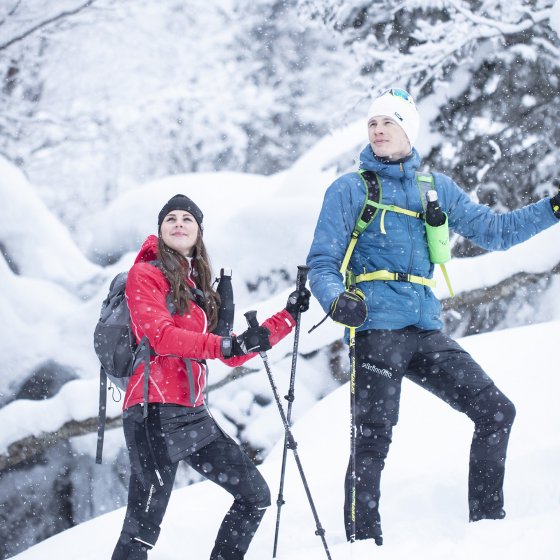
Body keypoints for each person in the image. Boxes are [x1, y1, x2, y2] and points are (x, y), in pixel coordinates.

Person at [306, 88, 560, 545]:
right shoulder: (350, 189)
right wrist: (335, 300)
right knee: (372, 441)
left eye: (389, 122)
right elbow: (321, 262)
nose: (378, 130)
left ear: (409, 130)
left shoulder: (435, 189)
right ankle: (363, 546)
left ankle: (487, 531)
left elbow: (495, 233)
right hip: (376, 327)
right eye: (372, 123)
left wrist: (552, 208)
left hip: (424, 327)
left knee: (496, 411)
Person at [112, 194, 310, 560]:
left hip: (192, 414)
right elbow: (162, 337)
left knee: (254, 496)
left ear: (198, 231)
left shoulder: (197, 286)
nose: (178, 223)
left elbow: (230, 351)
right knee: (141, 530)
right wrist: (223, 346)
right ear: (160, 230)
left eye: (187, 218)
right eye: (170, 218)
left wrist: (287, 316)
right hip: (151, 411)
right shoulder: (146, 275)